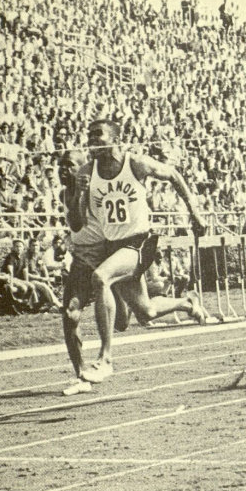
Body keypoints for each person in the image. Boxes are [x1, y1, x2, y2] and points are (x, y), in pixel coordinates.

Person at [60, 120, 209, 396]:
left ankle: (105, 358)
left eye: (98, 135)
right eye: (89, 135)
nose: (93, 140)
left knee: (100, 278)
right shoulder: (86, 172)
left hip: (140, 242)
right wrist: (79, 193)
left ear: (116, 138)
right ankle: (187, 303)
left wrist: (195, 212)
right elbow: (77, 224)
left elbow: (173, 175)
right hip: (114, 246)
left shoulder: (136, 164)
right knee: (146, 312)